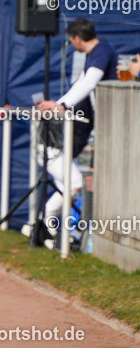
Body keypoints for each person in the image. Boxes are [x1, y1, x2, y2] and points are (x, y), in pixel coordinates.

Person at [35, 18, 115, 245]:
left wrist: (61, 105)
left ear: (76, 39)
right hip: (61, 141)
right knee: (72, 185)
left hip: (100, 127)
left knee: (72, 186)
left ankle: (47, 225)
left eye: (71, 41)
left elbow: (88, 83)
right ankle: (49, 226)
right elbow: (81, 84)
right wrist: (59, 104)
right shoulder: (98, 53)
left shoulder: (101, 51)